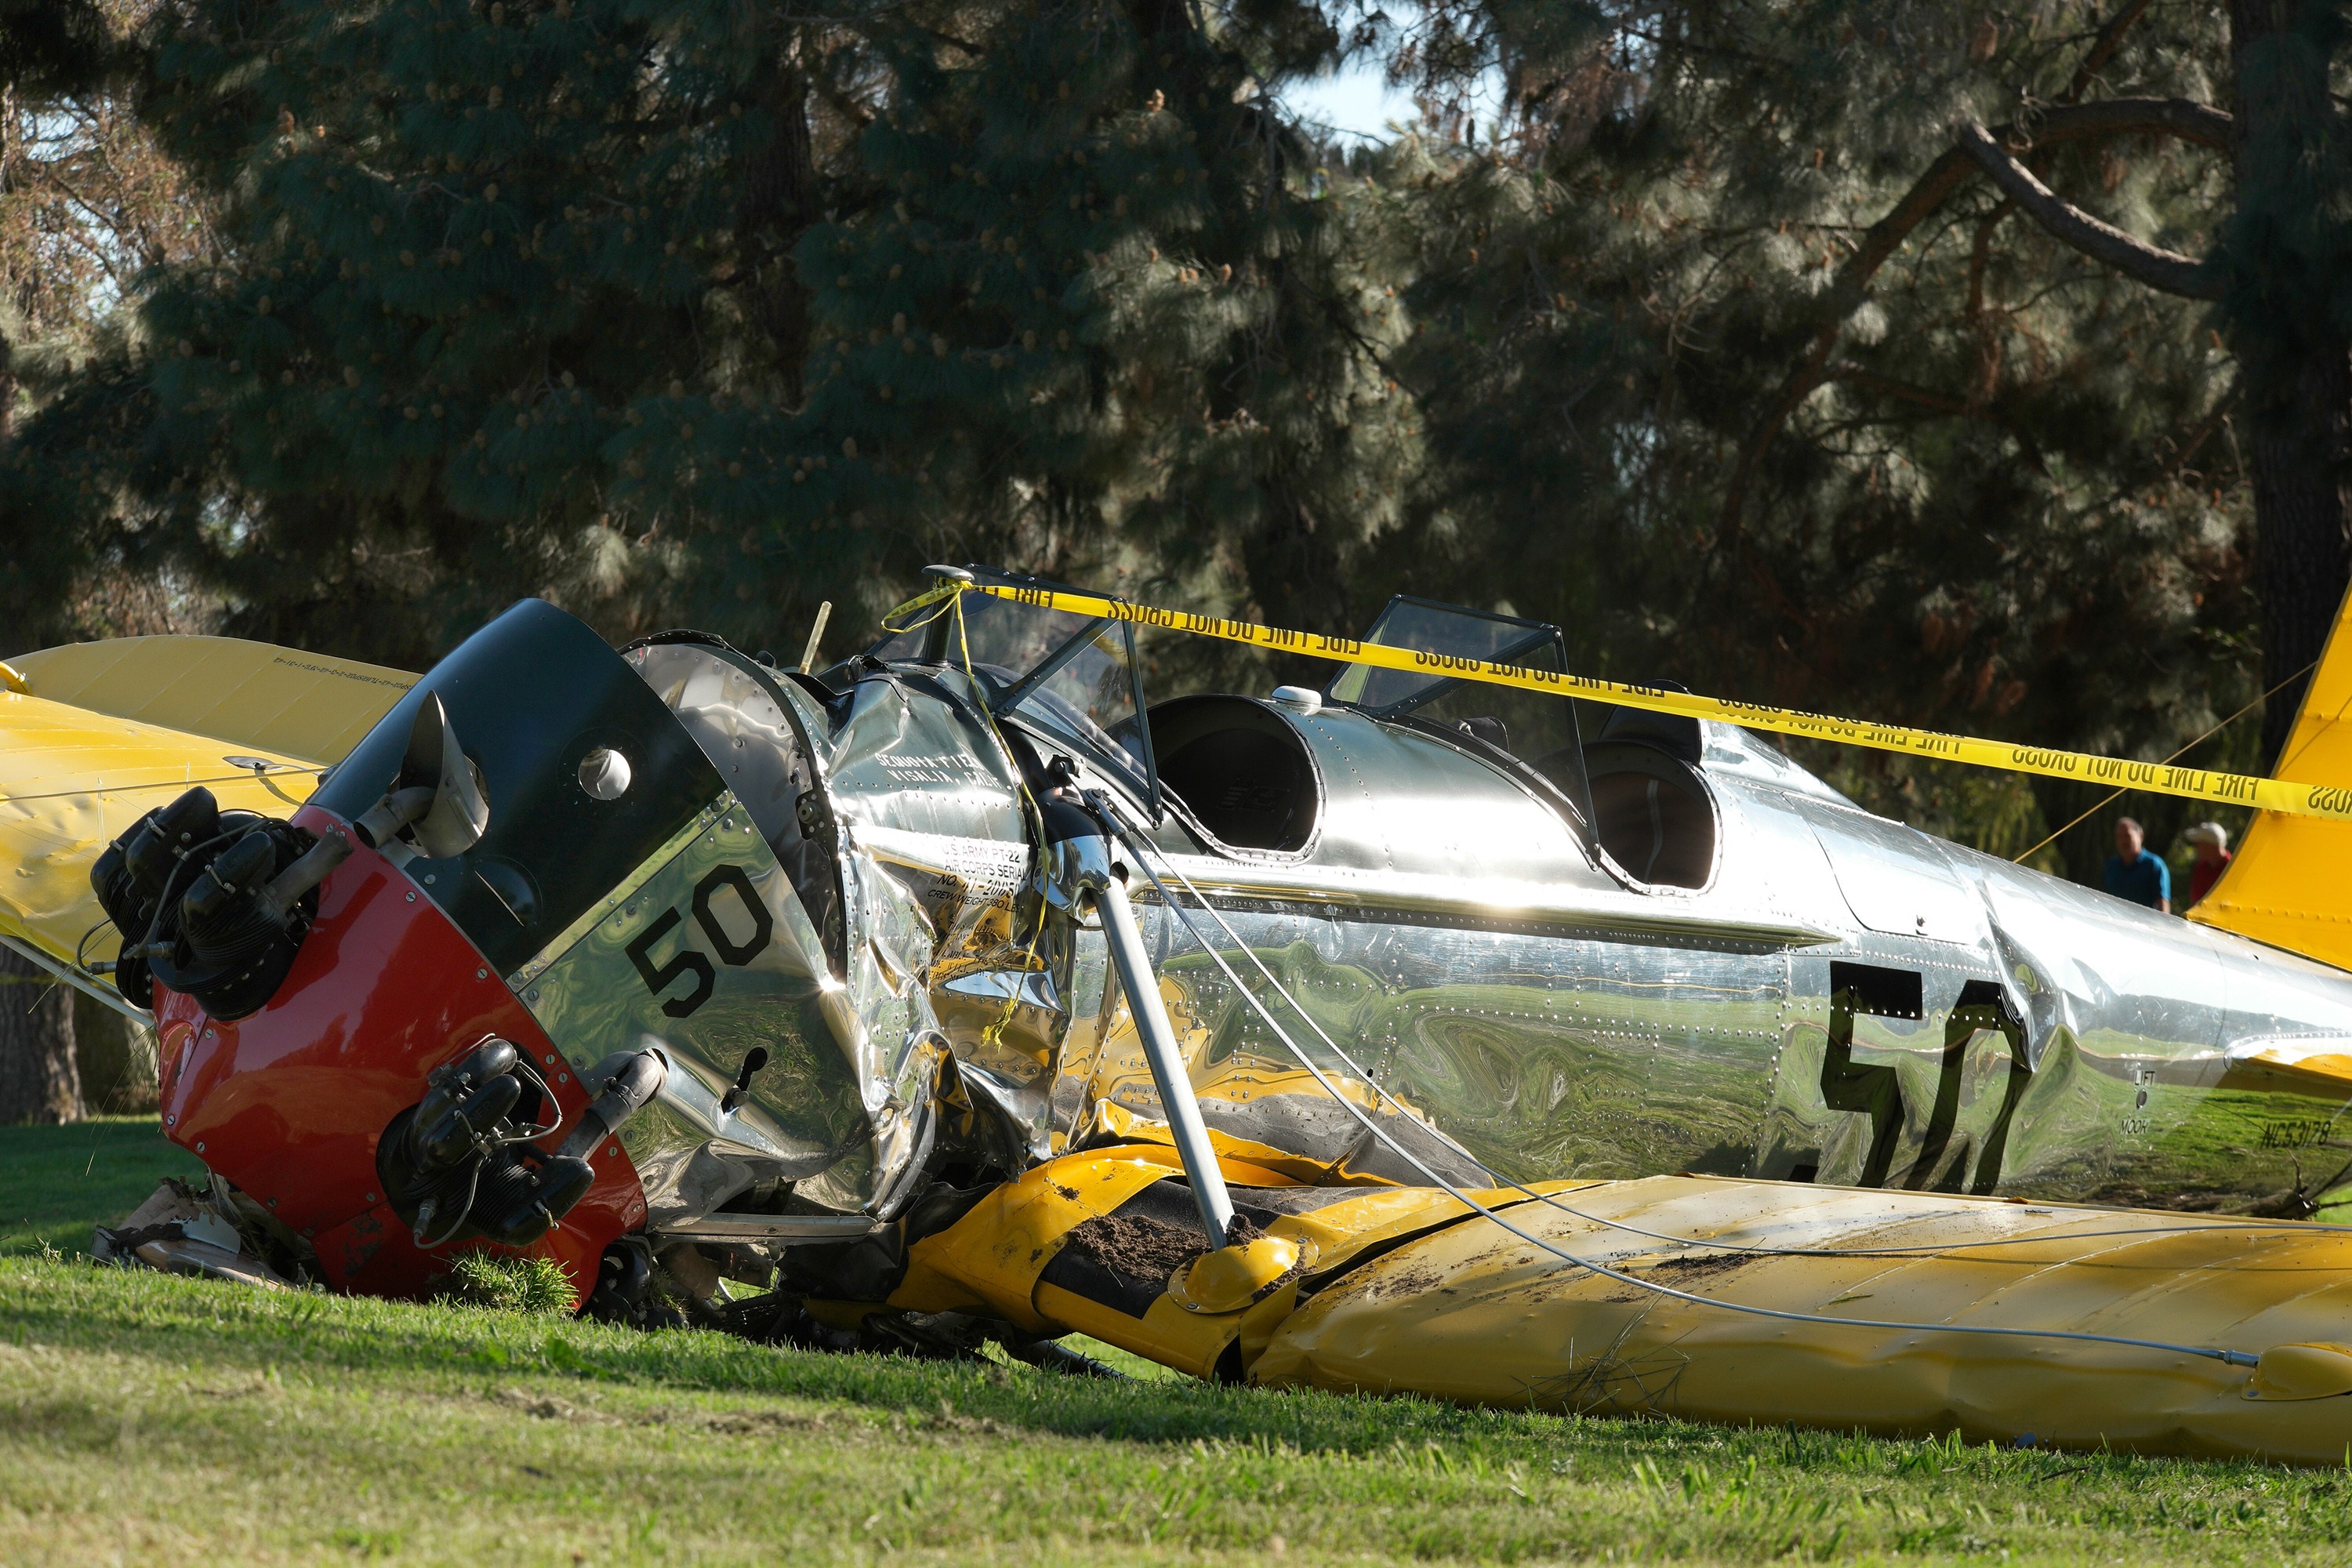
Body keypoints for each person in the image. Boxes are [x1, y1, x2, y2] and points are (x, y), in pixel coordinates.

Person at [2103, 817, 2171, 913]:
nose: (2123, 841)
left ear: (2140, 836)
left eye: (2127, 836)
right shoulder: (2112, 865)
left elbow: (2162, 903)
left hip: (2145, 925)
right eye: (2119, 836)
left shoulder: (2153, 865)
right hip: (2115, 923)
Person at [2183, 821, 2233, 909]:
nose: (2197, 847)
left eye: (2199, 844)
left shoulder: (2233, 869)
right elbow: (2194, 904)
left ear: (2209, 846)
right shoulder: (2200, 868)